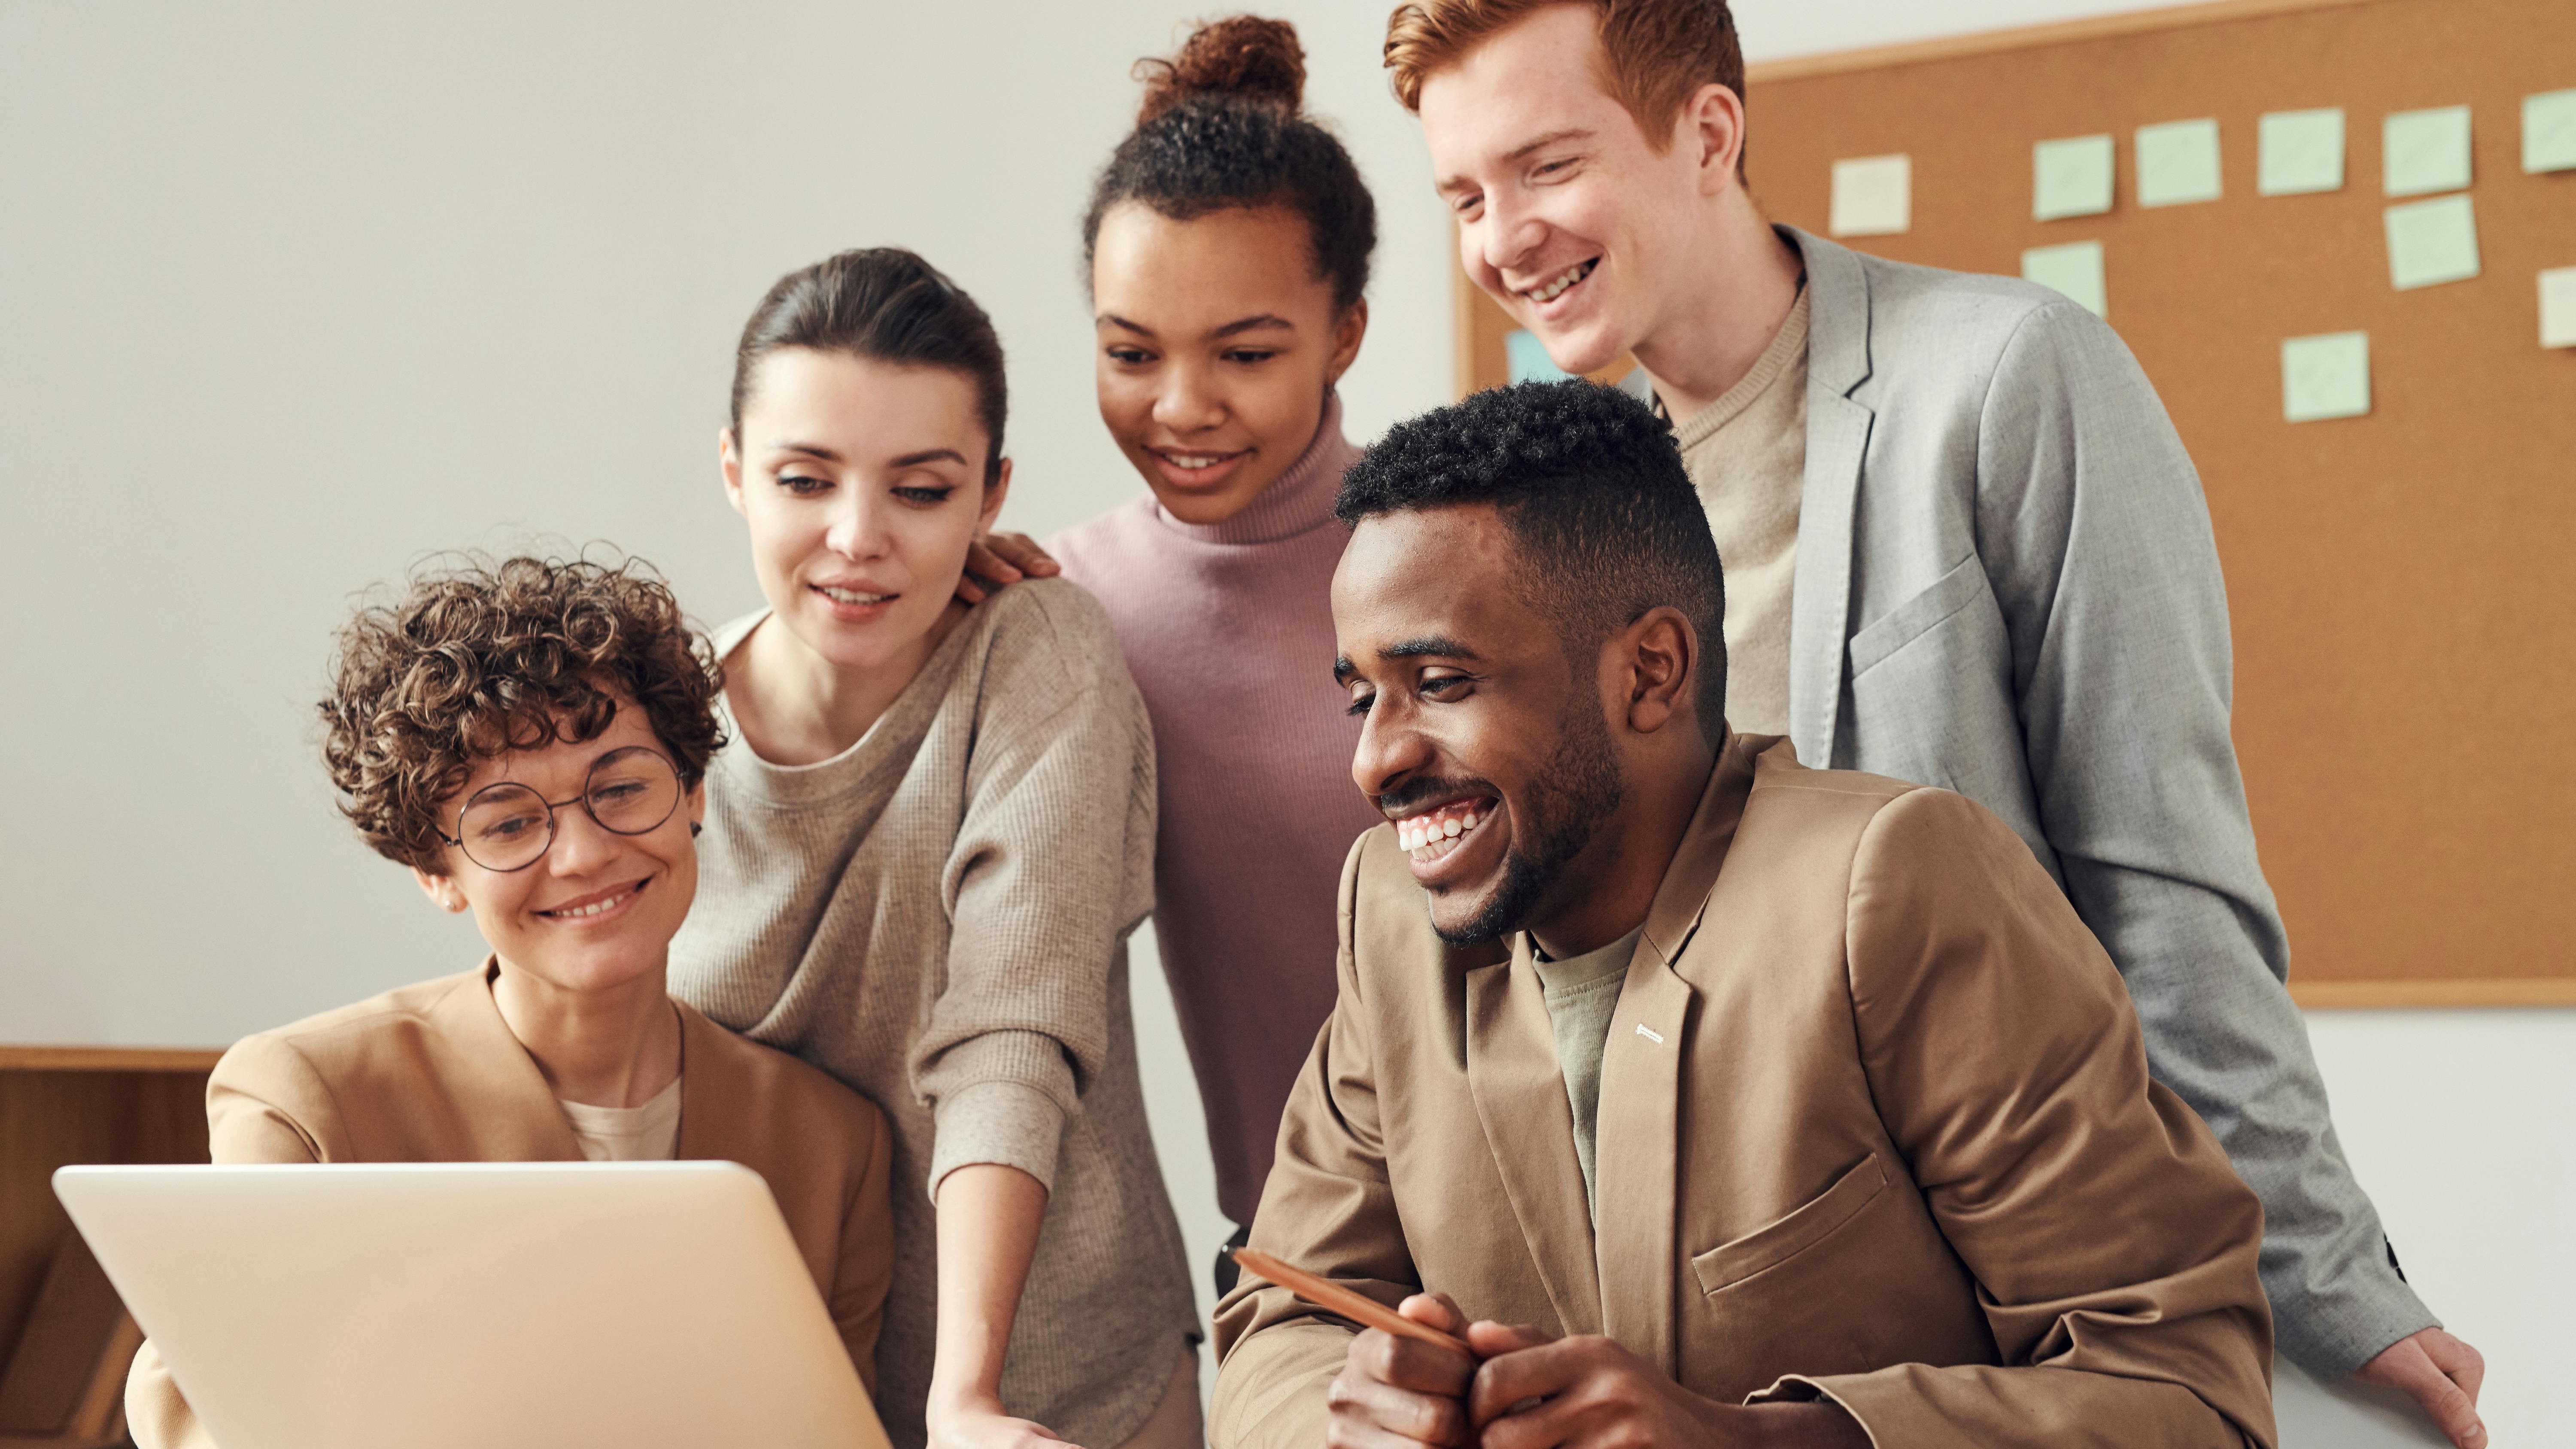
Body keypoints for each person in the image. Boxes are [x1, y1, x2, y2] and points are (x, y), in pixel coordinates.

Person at [1381, 2, 2485, 1442]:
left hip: (2019, 1311)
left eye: (1546, 166)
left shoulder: (2007, 377)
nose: (1503, 238)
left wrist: (2330, 1285)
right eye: (1465, 196)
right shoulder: (1561, 517)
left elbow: (2164, 885)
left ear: (1708, 134)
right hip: (1724, 1338)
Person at [1212, 382, 2275, 1449]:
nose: (1375, 760)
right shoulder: (1391, 911)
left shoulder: (1892, 887)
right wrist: (1354, 1420)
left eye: (1441, 681)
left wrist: (1748, 1441)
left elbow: (2189, 1396)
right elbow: (1279, 1315)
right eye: (1362, 697)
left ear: (1651, 671)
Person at [125, 556, 898, 1449]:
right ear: (435, 872)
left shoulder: (831, 1142)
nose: (582, 855)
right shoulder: (308, 1096)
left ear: (692, 793)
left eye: (621, 788)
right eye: (509, 822)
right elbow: (197, 1405)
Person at [665, 248, 1199, 1449]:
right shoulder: (657, 722)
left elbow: (1012, 1023)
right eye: (806, 480)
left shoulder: (1037, 653)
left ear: (990, 495)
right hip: (768, 1396)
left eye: (920, 491)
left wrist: (968, 1399)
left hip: (1055, 1389)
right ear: (736, 471)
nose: (858, 538)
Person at [1043, 15, 1385, 1293]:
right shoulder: (1063, 603)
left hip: (1569, 1234)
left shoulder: (1458, 548)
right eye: (1131, 353)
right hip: (1296, 1265)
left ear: (1345, 332)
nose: (1180, 407)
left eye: (1245, 354)